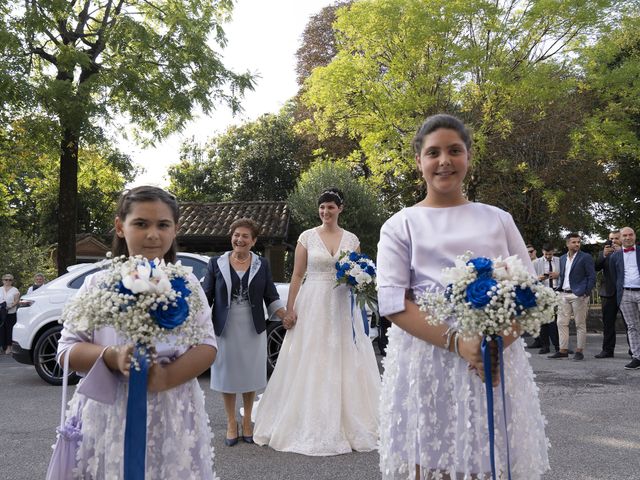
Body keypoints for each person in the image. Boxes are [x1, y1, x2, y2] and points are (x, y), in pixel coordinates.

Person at [376, 114, 549, 479]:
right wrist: (458, 343)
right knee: (429, 456)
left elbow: (528, 290)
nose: (444, 161)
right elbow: (392, 302)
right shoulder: (400, 224)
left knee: (488, 457)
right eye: (433, 152)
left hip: (494, 357)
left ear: (468, 156)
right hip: (427, 358)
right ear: (419, 161)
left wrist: (495, 344)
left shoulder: (498, 219)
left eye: (455, 150)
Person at [55, 186, 218, 478]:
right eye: (141, 224)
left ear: (175, 229)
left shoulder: (189, 285)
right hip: (110, 410)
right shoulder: (97, 285)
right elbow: (67, 350)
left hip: (171, 408)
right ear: (120, 226)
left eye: (163, 225)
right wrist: (110, 356)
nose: (153, 234)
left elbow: (206, 345)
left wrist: (167, 376)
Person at [253, 187, 381, 456]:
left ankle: (352, 417)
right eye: (322, 207)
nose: (326, 212)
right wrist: (290, 309)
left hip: (342, 305)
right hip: (313, 302)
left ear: (340, 209)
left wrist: (360, 281)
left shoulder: (352, 240)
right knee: (312, 355)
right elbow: (297, 275)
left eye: (331, 207)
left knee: (346, 353)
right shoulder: (307, 238)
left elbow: (361, 271)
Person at [202, 217, 286, 446]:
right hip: (225, 328)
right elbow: (204, 296)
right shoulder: (215, 263)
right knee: (227, 375)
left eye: (245, 236)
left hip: (253, 327)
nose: (240, 239)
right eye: (236, 235)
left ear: (254, 241)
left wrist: (284, 314)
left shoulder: (262, 264)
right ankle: (231, 422)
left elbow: (271, 295)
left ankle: (247, 420)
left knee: (250, 375)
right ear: (232, 237)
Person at [549, 233, 596, 361]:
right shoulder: (563, 258)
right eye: (574, 242)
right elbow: (564, 275)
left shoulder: (585, 257)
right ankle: (563, 350)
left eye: (578, 242)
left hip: (578, 294)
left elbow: (591, 276)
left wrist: (586, 292)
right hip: (564, 293)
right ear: (567, 244)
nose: (577, 244)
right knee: (561, 323)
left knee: (580, 324)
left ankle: (579, 351)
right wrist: (559, 289)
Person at [610, 227, 640, 370]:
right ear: (620, 238)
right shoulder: (615, 256)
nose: (628, 238)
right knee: (632, 326)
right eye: (625, 236)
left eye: (630, 235)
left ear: (634, 236)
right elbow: (615, 277)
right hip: (625, 294)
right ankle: (637, 357)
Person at [594, 230, 623, 358]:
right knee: (608, 323)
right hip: (608, 293)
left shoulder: (627, 252)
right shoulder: (603, 253)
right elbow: (596, 267)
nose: (614, 241)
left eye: (616, 238)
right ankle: (607, 350)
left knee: (631, 324)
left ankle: (634, 351)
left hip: (625, 292)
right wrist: (604, 255)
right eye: (611, 239)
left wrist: (620, 252)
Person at [532, 244, 561, 354]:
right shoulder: (536, 263)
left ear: (553, 252)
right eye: (546, 254)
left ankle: (559, 346)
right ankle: (545, 346)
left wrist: (558, 275)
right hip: (542, 292)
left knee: (557, 320)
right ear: (542, 252)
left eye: (550, 254)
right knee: (544, 321)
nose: (548, 256)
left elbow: (566, 274)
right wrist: (538, 278)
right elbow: (530, 278)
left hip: (556, 291)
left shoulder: (559, 261)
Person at [0, 274, 20, 354]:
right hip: (0, 313)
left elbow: (16, 301)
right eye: (6, 280)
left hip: (11, 312)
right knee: (1, 330)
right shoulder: (0, 289)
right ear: (3, 280)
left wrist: (9, 307)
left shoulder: (15, 290)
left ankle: (9, 347)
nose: (7, 281)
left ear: (12, 281)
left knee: (9, 330)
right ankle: (2, 346)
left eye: (10, 280)